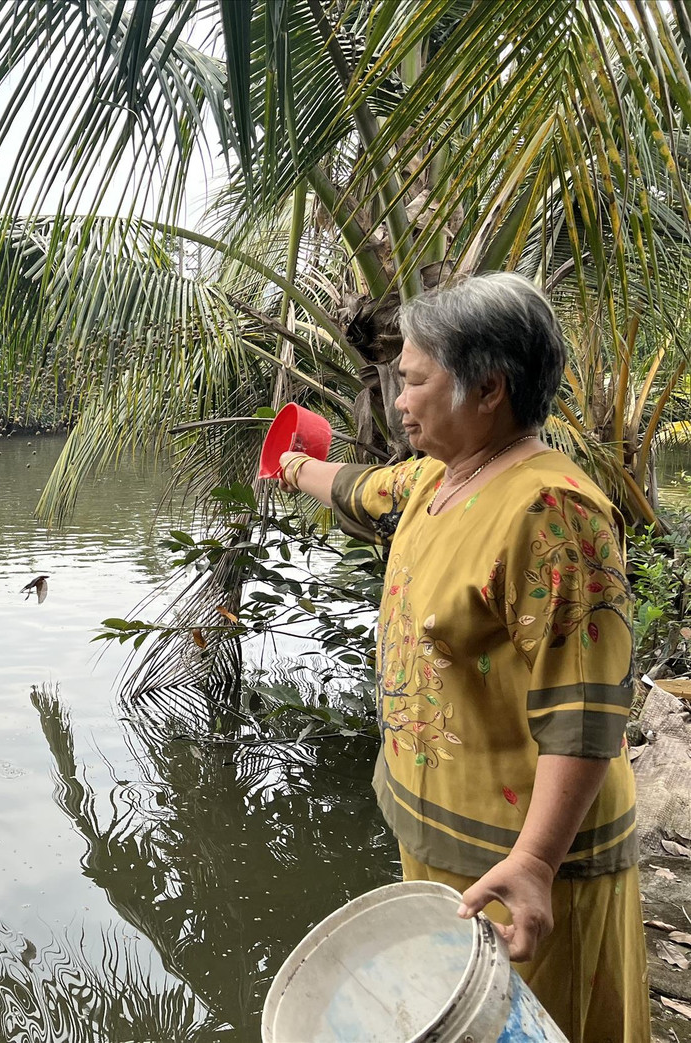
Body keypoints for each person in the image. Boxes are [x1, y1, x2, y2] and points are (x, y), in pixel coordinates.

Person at [275, 272, 648, 1042]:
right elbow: (356, 486)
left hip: (528, 861)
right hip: (446, 846)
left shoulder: (552, 512)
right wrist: (289, 467)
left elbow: (587, 709)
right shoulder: (434, 482)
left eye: (413, 380)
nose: (398, 400)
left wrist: (539, 862)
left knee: (544, 1024)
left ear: (488, 389)